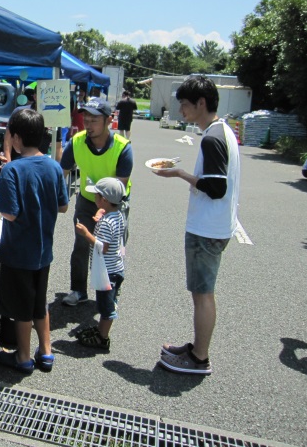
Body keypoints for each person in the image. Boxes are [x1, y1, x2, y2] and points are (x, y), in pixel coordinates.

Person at [154, 76, 240, 375]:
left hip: (208, 228)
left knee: (203, 295)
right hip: (214, 226)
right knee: (201, 293)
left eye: (185, 105)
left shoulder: (213, 137)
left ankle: (200, 358)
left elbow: (216, 188)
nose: (182, 112)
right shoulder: (222, 131)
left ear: (201, 103)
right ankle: (196, 348)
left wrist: (179, 174)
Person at [0, 108, 69, 373]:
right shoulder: (53, 166)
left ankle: (23, 357)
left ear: (15, 138)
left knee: (21, 307)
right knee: (40, 302)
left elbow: (10, 214)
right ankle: (46, 352)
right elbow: (63, 207)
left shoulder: (12, 170)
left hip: (18, 251)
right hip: (43, 249)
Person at [60, 98, 133, 307]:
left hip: (115, 204)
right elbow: (61, 173)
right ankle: (78, 290)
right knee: (81, 243)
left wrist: (104, 210)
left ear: (109, 120)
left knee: (111, 248)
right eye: (86, 119)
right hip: (87, 199)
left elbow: (121, 185)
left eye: (94, 120)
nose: (88, 125)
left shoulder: (123, 147)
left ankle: (112, 291)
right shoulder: (76, 142)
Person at [74, 177, 127, 351]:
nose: (94, 199)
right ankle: (100, 331)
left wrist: (86, 233)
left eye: (97, 196)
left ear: (104, 200)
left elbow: (102, 247)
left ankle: (102, 337)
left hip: (107, 272)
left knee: (106, 307)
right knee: (108, 302)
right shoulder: (117, 215)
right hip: (116, 268)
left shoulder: (106, 223)